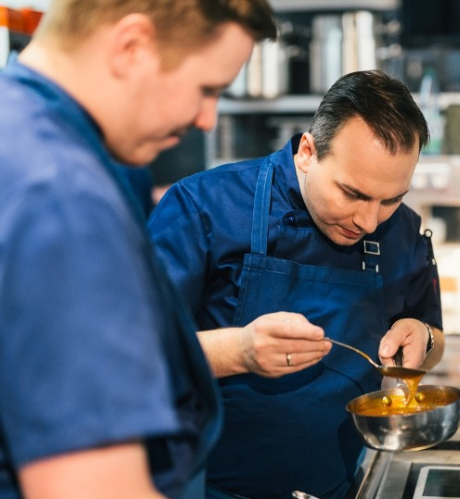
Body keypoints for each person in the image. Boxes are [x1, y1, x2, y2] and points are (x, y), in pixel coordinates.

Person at [0, 1, 284, 498]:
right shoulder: (63, 197)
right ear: (131, 47)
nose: (206, 119)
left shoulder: (18, 128)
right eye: (206, 89)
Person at [148, 69, 445, 499]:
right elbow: (131, 360)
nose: (368, 221)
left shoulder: (402, 232)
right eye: (353, 194)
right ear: (307, 152)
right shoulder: (203, 208)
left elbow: (433, 340)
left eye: (391, 199)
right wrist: (240, 352)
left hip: (339, 487)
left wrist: (423, 339)